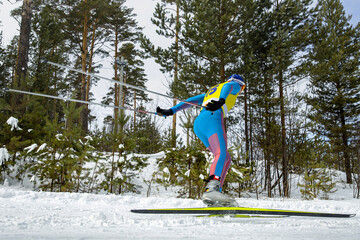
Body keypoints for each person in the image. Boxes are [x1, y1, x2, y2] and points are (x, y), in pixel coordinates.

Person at [157, 74, 245, 207]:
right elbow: (229, 86)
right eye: (242, 88)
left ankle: (216, 194)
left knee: (225, 157)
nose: (240, 90)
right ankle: (212, 189)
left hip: (199, 124)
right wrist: (221, 100)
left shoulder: (211, 91)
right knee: (221, 154)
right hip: (213, 118)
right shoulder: (234, 85)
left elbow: (190, 101)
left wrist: (171, 110)